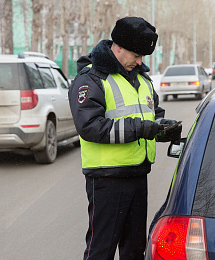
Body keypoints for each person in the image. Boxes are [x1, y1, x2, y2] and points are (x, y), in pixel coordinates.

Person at [68, 16, 182, 260]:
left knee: (134, 250)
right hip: (107, 178)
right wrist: (141, 129)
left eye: (143, 56)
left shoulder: (142, 79)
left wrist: (163, 128)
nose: (140, 62)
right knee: (102, 250)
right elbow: (90, 126)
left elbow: (152, 115)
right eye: (135, 55)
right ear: (117, 46)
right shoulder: (92, 79)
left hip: (138, 174)